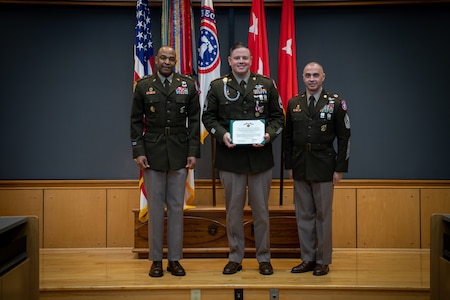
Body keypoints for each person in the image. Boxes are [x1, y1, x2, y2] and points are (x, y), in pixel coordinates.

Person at [202, 42, 284, 276]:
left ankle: (264, 258)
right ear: (229, 61)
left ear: (251, 60)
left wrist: (268, 135)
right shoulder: (219, 87)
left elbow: (279, 117)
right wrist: (223, 135)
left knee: (261, 213)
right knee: (233, 213)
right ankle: (235, 256)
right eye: (236, 58)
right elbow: (208, 117)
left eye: (245, 58)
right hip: (230, 160)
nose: (241, 61)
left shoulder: (266, 85)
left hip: (260, 160)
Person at [130, 46, 200, 277]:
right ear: (156, 60)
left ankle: (175, 259)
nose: (167, 62)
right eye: (163, 58)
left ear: (176, 61)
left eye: (171, 58)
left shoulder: (187, 85)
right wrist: (138, 151)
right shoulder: (144, 86)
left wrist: (193, 151)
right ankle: (156, 260)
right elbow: (135, 122)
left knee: (177, 209)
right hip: (152, 154)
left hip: (180, 153)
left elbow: (194, 120)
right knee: (156, 210)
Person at [284, 62, 351, 276]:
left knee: (323, 215)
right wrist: (289, 166)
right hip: (300, 163)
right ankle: (307, 259)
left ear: (323, 77)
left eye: (315, 75)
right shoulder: (294, 102)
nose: (311, 79)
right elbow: (288, 138)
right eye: (307, 75)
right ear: (302, 78)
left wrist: (339, 168)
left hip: (324, 165)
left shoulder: (335, 103)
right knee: (303, 215)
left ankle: (323, 260)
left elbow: (344, 138)